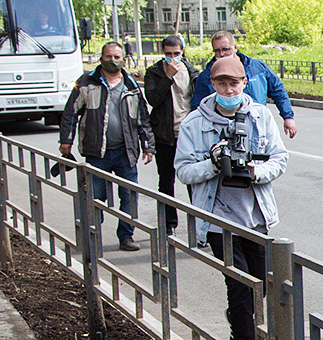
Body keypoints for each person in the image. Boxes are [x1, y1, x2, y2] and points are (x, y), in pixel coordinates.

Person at [174, 56, 288, 340]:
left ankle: (240, 317)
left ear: (244, 83)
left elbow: (279, 158)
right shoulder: (194, 123)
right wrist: (212, 164)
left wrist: (255, 171)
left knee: (260, 282)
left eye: (233, 84)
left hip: (255, 216)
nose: (228, 90)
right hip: (218, 221)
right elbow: (183, 171)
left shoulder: (260, 116)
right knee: (239, 286)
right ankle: (243, 333)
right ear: (212, 84)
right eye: (222, 84)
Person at [59, 42, 155, 252]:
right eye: (108, 56)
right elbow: (70, 113)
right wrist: (66, 141)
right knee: (95, 197)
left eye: (117, 57)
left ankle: (126, 236)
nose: (113, 61)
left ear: (123, 59)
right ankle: (92, 235)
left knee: (129, 196)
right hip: (97, 153)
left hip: (125, 152)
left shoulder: (131, 86)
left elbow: (143, 119)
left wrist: (148, 146)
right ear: (101, 58)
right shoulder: (86, 83)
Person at [192, 30, 298, 138]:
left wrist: (288, 116)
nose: (222, 54)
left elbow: (278, 91)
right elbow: (198, 107)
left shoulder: (257, 68)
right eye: (217, 51)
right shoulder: (206, 76)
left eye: (226, 49)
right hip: (222, 131)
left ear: (235, 48)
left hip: (257, 125)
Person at [144, 35, 199, 235]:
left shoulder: (192, 72)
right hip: (165, 135)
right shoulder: (154, 72)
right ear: (163, 53)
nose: (173, 57)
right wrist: (167, 77)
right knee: (166, 182)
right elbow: (153, 100)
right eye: (168, 54)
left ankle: (200, 227)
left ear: (183, 51)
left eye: (176, 53)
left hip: (188, 136)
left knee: (194, 182)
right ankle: (169, 225)